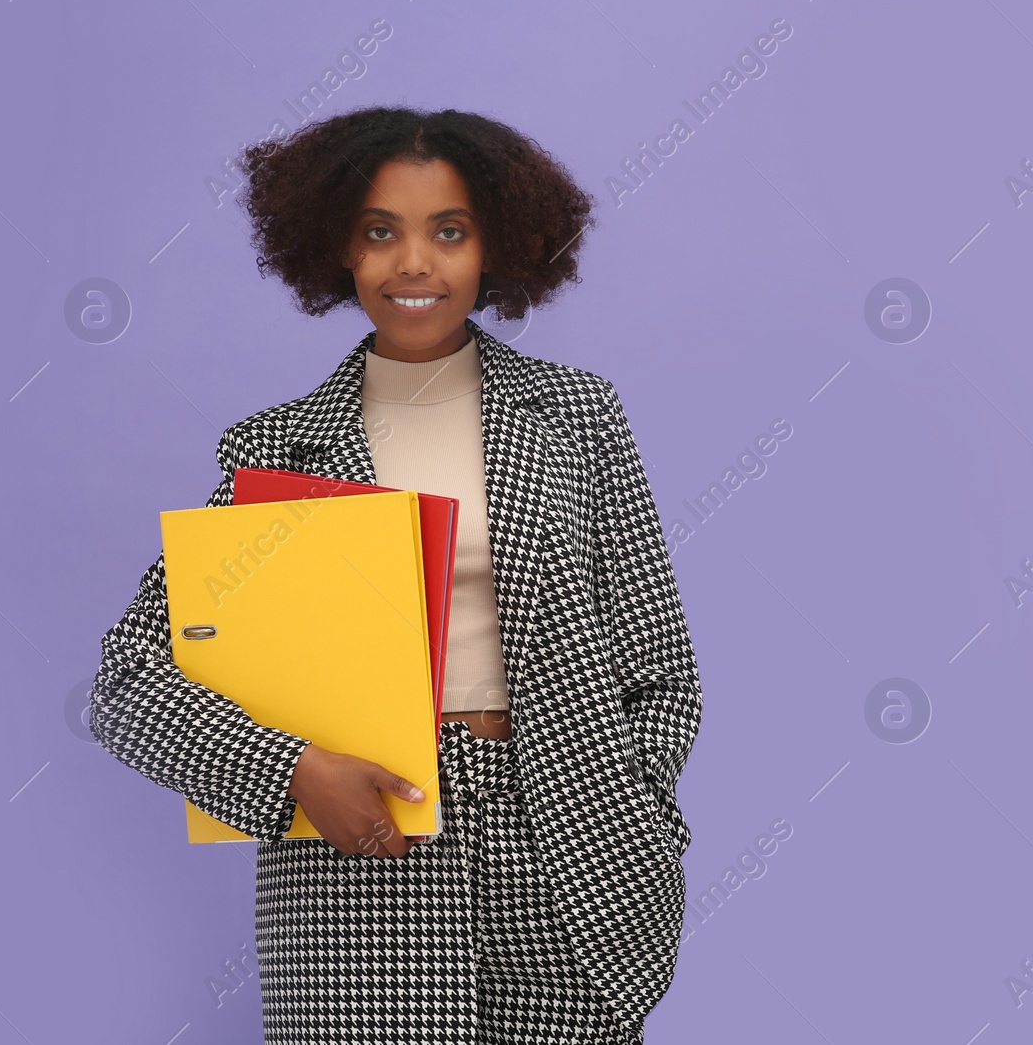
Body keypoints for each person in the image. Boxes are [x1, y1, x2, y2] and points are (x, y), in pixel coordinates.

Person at [89, 106, 703, 1044]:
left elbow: (661, 671)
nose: (414, 263)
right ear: (337, 246)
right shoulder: (278, 450)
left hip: (566, 852)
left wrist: (627, 806)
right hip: (356, 873)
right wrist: (292, 770)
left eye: (448, 231)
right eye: (381, 232)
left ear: (496, 244)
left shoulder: (578, 418)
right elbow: (128, 683)